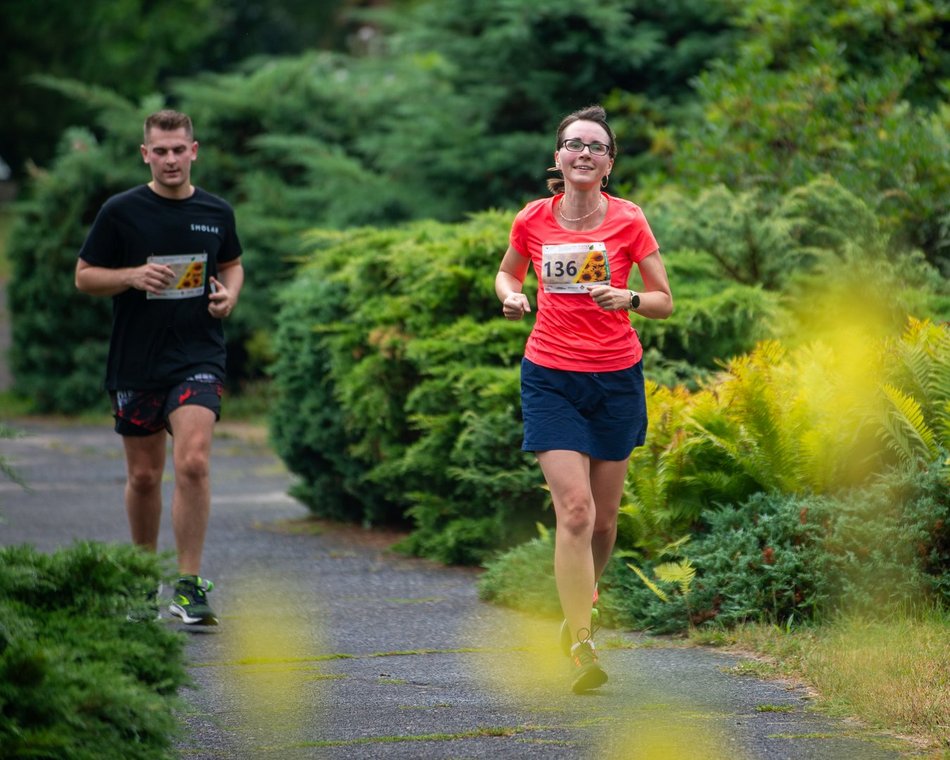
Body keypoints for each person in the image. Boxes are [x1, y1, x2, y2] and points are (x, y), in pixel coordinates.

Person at [495, 104, 672, 693]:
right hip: (550, 376)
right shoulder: (532, 219)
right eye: (573, 144)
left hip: (616, 377)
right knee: (575, 511)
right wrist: (512, 297)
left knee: (604, 524)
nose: (584, 153)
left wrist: (628, 299)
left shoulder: (628, 220)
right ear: (558, 158)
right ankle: (580, 640)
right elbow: (507, 274)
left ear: (609, 164)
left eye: (595, 146)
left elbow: (663, 299)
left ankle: (583, 600)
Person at [75, 109, 244, 625]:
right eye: (161, 151)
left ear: (194, 151)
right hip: (137, 361)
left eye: (179, 149)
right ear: (145, 154)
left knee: (193, 462)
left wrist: (228, 297)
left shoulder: (216, 212)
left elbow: (231, 264)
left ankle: (188, 587)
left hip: (198, 356)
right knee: (145, 476)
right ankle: (142, 579)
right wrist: (130, 275)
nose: (171, 159)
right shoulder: (121, 212)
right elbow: (85, 277)